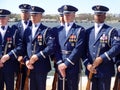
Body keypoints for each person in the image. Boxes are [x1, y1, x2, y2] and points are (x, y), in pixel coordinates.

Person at [83, 5, 120, 90]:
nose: (98, 16)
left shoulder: (111, 31)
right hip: (91, 70)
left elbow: (117, 47)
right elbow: (83, 51)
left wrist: (102, 58)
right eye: (96, 14)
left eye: (100, 14)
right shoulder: (88, 31)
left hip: (105, 70)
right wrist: (87, 64)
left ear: (105, 16)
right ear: (93, 15)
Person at [22, 6, 55, 90]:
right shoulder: (27, 30)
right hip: (29, 66)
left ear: (41, 16)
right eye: (32, 15)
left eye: (35, 15)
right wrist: (26, 61)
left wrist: (37, 56)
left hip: (41, 66)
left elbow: (51, 47)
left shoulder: (46, 30)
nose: (33, 17)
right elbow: (24, 48)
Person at [55, 5, 86, 90]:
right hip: (60, 64)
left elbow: (78, 49)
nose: (66, 16)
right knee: (61, 87)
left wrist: (66, 64)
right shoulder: (57, 30)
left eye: (69, 14)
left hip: (73, 64)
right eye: (65, 14)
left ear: (74, 15)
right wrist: (60, 63)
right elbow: (55, 48)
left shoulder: (79, 30)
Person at [0, 9, 22, 90]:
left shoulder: (14, 32)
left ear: (8, 18)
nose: (1, 20)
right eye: (0, 18)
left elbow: (20, 47)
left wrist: (8, 56)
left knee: (10, 87)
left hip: (9, 66)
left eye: (3, 17)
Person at [14, 3, 32, 90]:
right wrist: (18, 55)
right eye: (22, 12)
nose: (24, 14)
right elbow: (12, 44)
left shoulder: (34, 26)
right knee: (18, 82)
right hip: (18, 59)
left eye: (26, 12)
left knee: (30, 83)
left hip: (30, 59)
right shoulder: (14, 27)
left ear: (30, 13)